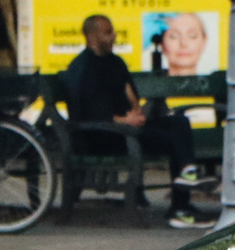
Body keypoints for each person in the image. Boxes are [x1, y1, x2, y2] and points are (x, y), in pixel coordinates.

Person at [65, 13, 207, 228]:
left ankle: (188, 173)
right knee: (172, 141)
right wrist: (124, 120)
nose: (113, 37)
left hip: (127, 127)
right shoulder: (82, 68)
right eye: (107, 32)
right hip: (103, 135)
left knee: (179, 123)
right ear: (92, 36)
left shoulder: (114, 62)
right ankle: (180, 207)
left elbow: (129, 90)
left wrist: (136, 112)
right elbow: (89, 113)